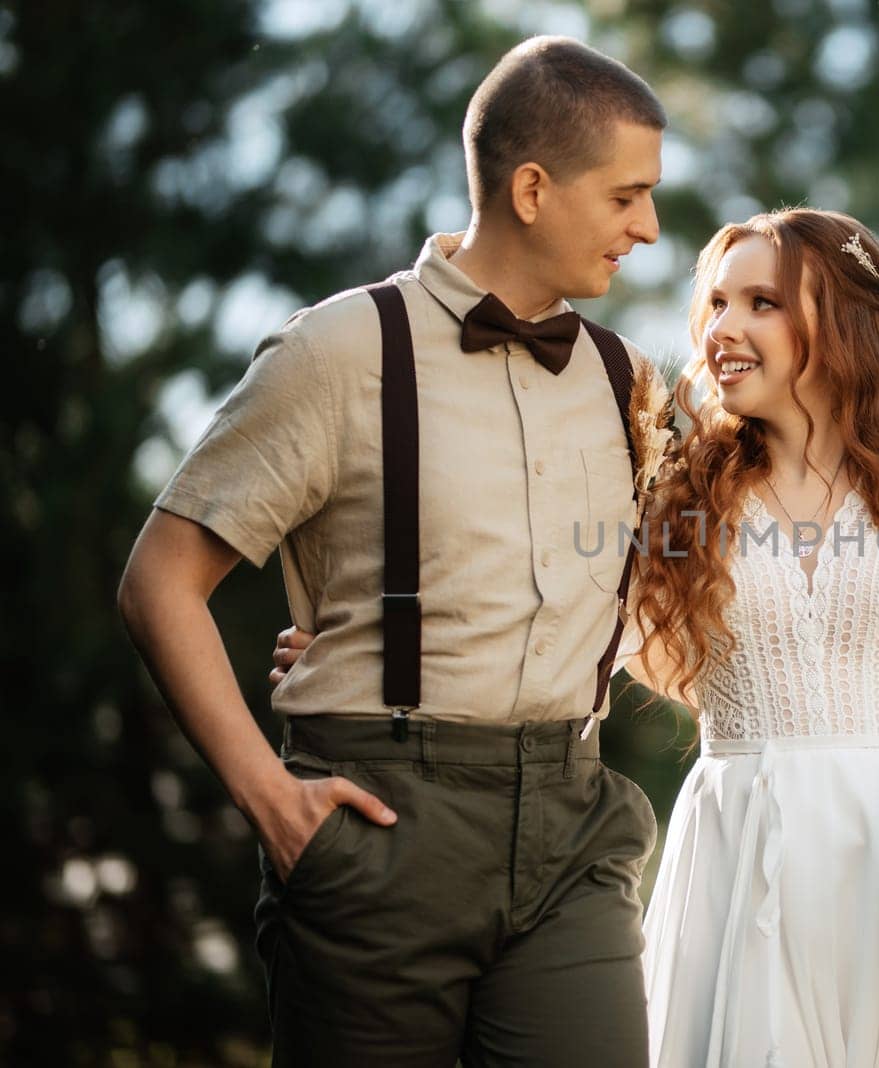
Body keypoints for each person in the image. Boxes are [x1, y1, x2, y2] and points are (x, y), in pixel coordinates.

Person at [271, 209, 879, 1066]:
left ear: (846, 328)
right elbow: (558, 620)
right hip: (738, 843)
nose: (724, 328)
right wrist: (371, 650)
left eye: (762, 303)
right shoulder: (676, 496)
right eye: (715, 302)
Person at [119, 36, 672, 1066]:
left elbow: (696, 575)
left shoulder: (627, 381)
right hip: (380, 828)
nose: (649, 227)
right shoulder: (337, 350)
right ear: (533, 188)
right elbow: (160, 580)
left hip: (573, 829)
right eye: (628, 196)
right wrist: (273, 802)